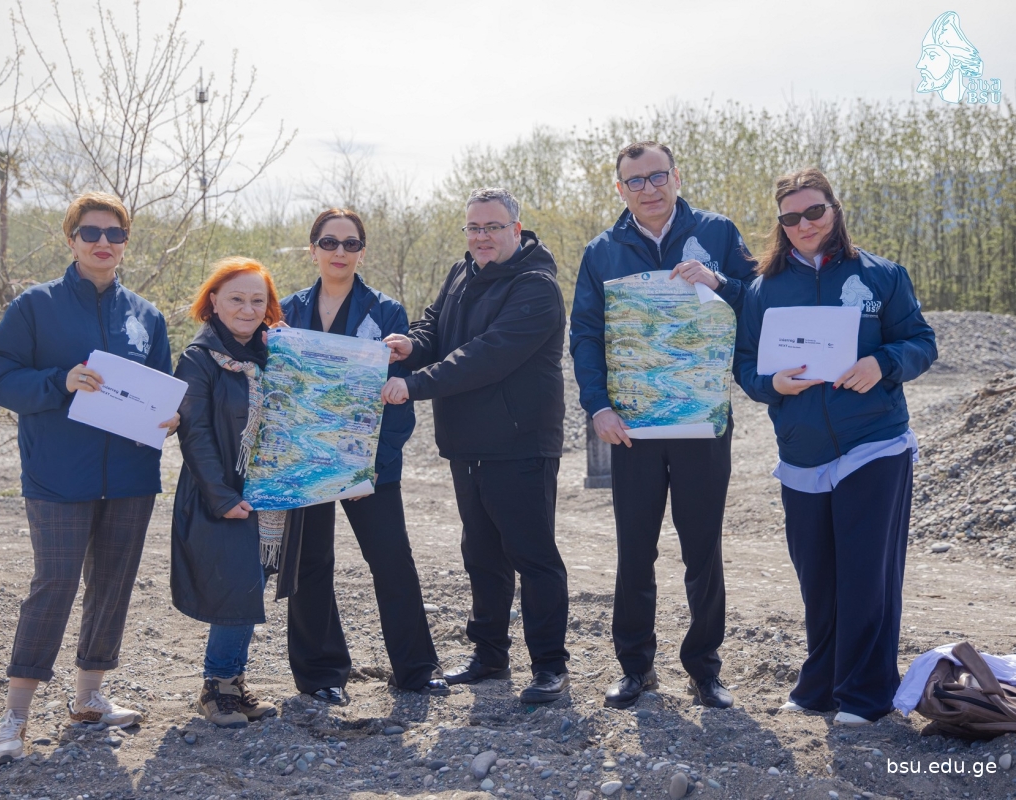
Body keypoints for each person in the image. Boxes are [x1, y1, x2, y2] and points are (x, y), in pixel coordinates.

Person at [0, 191, 178, 764]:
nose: (103, 242)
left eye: (115, 234)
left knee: (113, 584)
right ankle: (15, 715)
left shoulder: (146, 316)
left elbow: (163, 388)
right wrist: (58, 382)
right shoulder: (35, 306)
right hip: (57, 474)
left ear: (126, 243)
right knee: (55, 584)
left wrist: (171, 417)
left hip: (131, 477)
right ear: (71, 240)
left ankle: (89, 698)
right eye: (91, 232)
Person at [734, 167, 936, 724]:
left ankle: (867, 695)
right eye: (791, 217)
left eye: (814, 211)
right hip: (801, 453)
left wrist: (882, 363)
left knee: (866, 574)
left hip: (874, 443)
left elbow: (921, 342)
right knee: (818, 578)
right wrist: (772, 385)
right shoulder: (763, 290)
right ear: (780, 224)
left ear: (834, 209)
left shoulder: (882, 276)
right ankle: (820, 687)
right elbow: (746, 366)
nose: (804, 224)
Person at [569, 142, 757, 710]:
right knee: (635, 549)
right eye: (635, 181)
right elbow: (585, 334)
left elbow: (759, 303)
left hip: (702, 420)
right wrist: (597, 406)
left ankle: (704, 670)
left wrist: (720, 281)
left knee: (702, 549)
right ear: (620, 189)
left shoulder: (718, 233)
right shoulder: (602, 251)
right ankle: (635, 668)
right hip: (633, 427)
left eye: (657, 177)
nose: (648, 189)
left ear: (677, 177)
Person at [382, 188, 570, 704]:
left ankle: (550, 666)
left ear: (516, 229)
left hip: (521, 443)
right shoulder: (461, 272)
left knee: (533, 557)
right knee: (481, 555)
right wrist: (412, 345)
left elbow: (485, 356)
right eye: (473, 228)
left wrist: (413, 384)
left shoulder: (537, 287)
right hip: (466, 444)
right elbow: (435, 327)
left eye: (492, 227)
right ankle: (490, 657)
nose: (481, 237)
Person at [280, 208, 446, 704]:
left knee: (392, 560)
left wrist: (372, 463)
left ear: (362, 253)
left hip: (368, 461)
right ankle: (320, 675)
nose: (340, 252)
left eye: (350, 244)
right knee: (311, 564)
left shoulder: (386, 311)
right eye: (329, 243)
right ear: (312, 249)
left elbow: (397, 391)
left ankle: (415, 670)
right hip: (308, 458)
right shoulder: (286, 311)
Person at [171, 257, 289, 728]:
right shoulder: (198, 359)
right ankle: (216, 686)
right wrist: (220, 497)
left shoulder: (272, 357)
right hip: (219, 492)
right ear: (213, 301)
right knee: (237, 587)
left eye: (257, 300)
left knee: (253, 584)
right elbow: (194, 433)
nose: (247, 308)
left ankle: (233, 683)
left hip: (269, 494)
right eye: (236, 298)